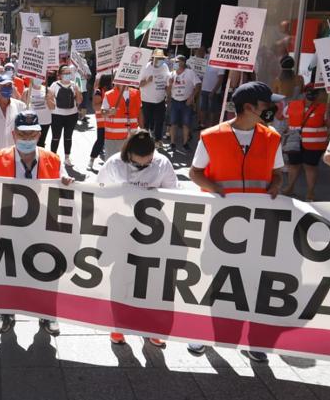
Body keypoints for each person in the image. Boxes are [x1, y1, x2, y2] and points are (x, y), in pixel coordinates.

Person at [189, 81, 284, 363]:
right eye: (268, 104)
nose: (274, 108)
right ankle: (202, 333)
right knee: (214, 279)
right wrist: (219, 192)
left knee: (255, 282)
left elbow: (278, 173)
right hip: (221, 223)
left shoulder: (272, 137)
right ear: (250, 108)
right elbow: (195, 173)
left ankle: (254, 342)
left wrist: (277, 183)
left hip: (259, 223)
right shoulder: (211, 136)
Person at [0, 112, 73, 336]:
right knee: (6, 272)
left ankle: (47, 315)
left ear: (39, 135)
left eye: (31, 134)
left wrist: (67, 184)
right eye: (22, 134)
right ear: (13, 134)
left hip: (42, 227)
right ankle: (6, 313)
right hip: (8, 227)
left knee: (46, 272)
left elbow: (66, 187)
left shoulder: (53, 159)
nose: (27, 139)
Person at [95, 128, 175, 348]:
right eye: (138, 163)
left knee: (151, 282)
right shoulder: (114, 163)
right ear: (128, 154)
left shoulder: (162, 164)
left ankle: (152, 328)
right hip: (121, 228)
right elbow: (100, 190)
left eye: (147, 163)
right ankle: (118, 326)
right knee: (120, 279)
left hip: (153, 231)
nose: (143, 166)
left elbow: (174, 194)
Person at [281, 86, 330, 201]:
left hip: (314, 144)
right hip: (295, 141)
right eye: (309, 91)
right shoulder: (292, 105)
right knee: (293, 165)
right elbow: (283, 117)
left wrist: (327, 114)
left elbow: (329, 124)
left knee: (310, 167)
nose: (311, 94)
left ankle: (310, 192)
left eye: (315, 92)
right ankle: (290, 187)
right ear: (304, 93)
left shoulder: (324, 108)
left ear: (318, 95)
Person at [47, 63, 83, 164]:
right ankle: (53, 157)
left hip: (71, 115)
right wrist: (50, 102)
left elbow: (79, 101)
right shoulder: (54, 85)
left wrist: (78, 91)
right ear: (60, 75)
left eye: (69, 73)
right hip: (57, 115)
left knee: (68, 137)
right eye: (65, 73)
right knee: (55, 137)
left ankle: (67, 157)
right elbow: (50, 99)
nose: (67, 74)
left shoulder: (74, 85)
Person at [166, 55, 201, 153]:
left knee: (186, 124)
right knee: (173, 123)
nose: (176, 63)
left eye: (178, 61)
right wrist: (170, 85)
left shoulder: (190, 73)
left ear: (183, 62)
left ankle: (185, 144)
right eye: (175, 61)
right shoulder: (171, 74)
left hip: (186, 102)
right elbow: (168, 91)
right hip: (174, 101)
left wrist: (192, 97)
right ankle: (172, 143)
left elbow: (198, 85)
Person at [101, 83, 142, 159]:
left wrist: (143, 130)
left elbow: (140, 112)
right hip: (113, 138)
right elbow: (102, 113)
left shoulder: (136, 93)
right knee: (112, 163)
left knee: (130, 163)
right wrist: (109, 112)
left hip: (132, 137)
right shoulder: (109, 94)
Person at [138, 50, 170, 142]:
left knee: (160, 121)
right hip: (147, 100)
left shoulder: (165, 67)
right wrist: (147, 81)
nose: (160, 60)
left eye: (161, 58)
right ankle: (145, 141)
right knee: (146, 122)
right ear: (153, 58)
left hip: (160, 100)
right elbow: (138, 84)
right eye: (158, 58)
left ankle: (158, 140)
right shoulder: (145, 67)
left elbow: (167, 82)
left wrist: (168, 94)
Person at [88, 74, 115, 171]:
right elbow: (95, 106)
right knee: (100, 141)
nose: (113, 81)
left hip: (112, 121)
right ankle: (91, 161)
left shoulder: (113, 90)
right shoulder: (98, 91)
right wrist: (107, 103)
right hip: (102, 121)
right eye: (111, 80)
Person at [24, 72, 52, 147]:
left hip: (45, 121)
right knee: (30, 143)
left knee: (41, 143)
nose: (38, 79)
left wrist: (48, 99)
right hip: (31, 122)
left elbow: (53, 107)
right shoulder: (27, 91)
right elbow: (21, 107)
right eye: (36, 77)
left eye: (40, 77)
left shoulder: (48, 90)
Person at [199, 51, 224, 126]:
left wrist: (213, 91)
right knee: (203, 108)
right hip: (204, 89)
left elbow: (221, 79)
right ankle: (202, 125)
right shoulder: (205, 61)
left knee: (212, 110)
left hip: (213, 91)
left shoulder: (220, 62)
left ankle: (211, 126)